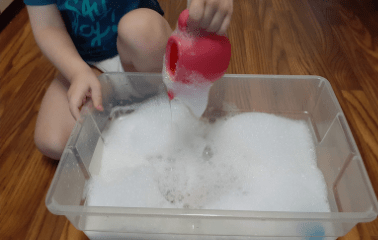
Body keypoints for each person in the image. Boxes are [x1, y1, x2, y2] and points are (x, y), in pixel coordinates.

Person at [25, 0, 233, 160]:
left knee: (140, 30)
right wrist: (76, 71)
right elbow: (47, 26)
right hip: (88, 64)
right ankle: (128, 106)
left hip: (140, 50)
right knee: (54, 141)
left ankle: (167, 91)